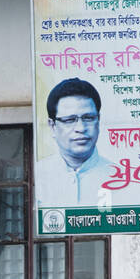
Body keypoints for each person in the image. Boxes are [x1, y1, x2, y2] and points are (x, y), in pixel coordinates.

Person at [34, 78, 112, 207]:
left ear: (98, 120)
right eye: (70, 120)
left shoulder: (120, 177)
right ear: (52, 125)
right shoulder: (37, 176)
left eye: (88, 118)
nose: (81, 128)